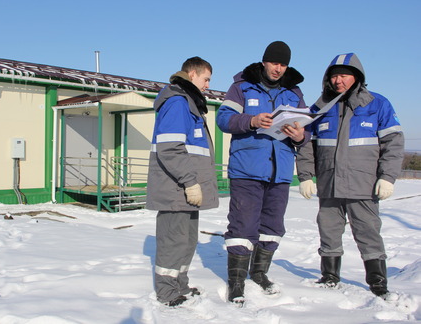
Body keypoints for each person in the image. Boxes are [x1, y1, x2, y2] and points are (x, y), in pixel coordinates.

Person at [296, 53, 404, 298]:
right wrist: (305, 176)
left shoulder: (377, 104)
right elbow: (305, 143)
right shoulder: (320, 107)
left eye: (343, 75)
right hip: (329, 183)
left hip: (363, 184)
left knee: (368, 232)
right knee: (328, 229)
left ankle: (377, 281)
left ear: (357, 77)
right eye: (334, 76)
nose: (338, 81)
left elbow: (394, 142)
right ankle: (329, 276)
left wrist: (387, 177)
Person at [216, 41, 309, 304]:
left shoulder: (294, 93)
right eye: (274, 63)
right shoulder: (241, 87)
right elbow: (223, 119)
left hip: (280, 172)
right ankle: (236, 282)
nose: (278, 69)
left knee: (272, 227)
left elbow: (306, 130)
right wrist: (251, 120)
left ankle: (259, 273)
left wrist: (301, 135)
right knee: (243, 226)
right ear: (264, 62)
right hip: (247, 169)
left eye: (283, 64)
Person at [146, 56, 219, 307]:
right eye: (206, 79)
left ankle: (180, 284)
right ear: (191, 75)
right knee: (172, 240)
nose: (208, 85)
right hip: (176, 189)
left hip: (187, 190)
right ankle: (166, 292)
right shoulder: (178, 102)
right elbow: (170, 148)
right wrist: (190, 181)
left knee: (187, 241)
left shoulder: (190, 103)